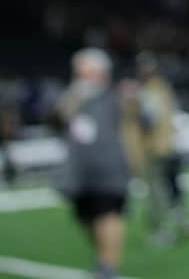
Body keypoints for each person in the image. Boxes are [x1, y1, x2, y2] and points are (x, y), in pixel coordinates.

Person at [55, 50, 131, 279]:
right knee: (87, 218)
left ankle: (109, 266)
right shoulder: (72, 98)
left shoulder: (115, 98)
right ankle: (103, 258)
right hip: (81, 172)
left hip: (109, 170)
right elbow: (58, 122)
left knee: (108, 215)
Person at [130, 55, 183, 246]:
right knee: (172, 186)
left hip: (155, 147)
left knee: (157, 191)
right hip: (170, 144)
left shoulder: (147, 92)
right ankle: (181, 222)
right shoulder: (164, 88)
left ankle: (161, 229)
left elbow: (148, 119)